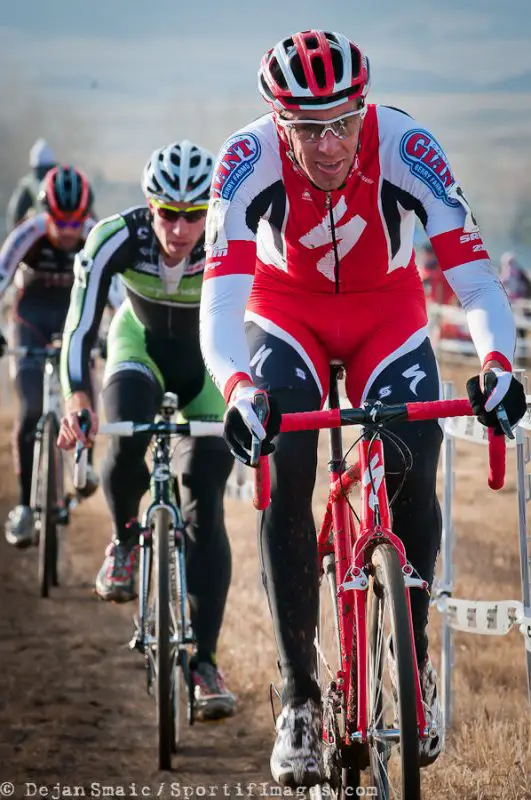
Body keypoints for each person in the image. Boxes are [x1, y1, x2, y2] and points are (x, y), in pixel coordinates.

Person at [199, 30, 527, 786]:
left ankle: (410, 668)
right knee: (285, 459)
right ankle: (300, 701)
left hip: (387, 312)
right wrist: (241, 389)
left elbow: (475, 282)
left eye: (342, 121)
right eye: (306, 128)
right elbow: (219, 309)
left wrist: (497, 365)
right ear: (279, 122)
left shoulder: (408, 144)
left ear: (364, 106)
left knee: (416, 453)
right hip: (285, 312)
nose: (327, 144)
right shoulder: (246, 160)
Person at [57, 140, 237, 721]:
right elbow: (80, 325)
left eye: (193, 215)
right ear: (148, 206)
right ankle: (126, 537)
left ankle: (204, 663)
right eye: (168, 213)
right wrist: (74, 398)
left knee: (205, 501)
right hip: (139, 351)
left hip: (208, 367)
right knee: (126, 428)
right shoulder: (116, 236)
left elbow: (260, 319)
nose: (181, 229)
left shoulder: (230, 235)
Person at [0, 165, 100, 547]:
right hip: (31, 320)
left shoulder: (94, 233)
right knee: (29, 412)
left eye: (76, 221)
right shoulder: (29, 231)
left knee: (84, 396)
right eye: (60, 220)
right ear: (46, 213)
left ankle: (84, 465)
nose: (68, 230)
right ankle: (25, 506)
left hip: (73, 322)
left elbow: (115, 290)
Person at [6, 139, 57, 232]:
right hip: (41, 236)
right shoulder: (28, 186)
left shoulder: (28, 185)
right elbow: (16, 216)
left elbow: (15, 217)